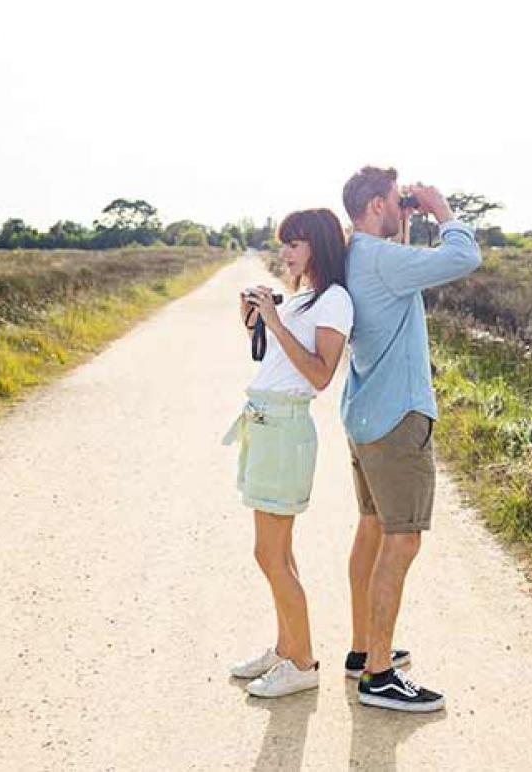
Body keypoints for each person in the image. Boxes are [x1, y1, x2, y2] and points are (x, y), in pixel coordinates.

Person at [339, 166, 482, 712]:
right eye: (397, 201)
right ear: (377, 204)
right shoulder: (381, 259)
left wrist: (402, 217)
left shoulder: (356, 254)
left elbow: (396, 260)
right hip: (398, 419)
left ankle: (362, 652)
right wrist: (442, 209)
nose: (405, 208)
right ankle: (379, 676)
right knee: (403, 540)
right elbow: (465, 257)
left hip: (365, 416)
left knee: (372, 530)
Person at [222, 208, 353, 698]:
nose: (285, 253)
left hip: (284, 429)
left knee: (269, 553)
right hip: (267, 425)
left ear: (316, 245)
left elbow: (320, 376)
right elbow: (281, 364)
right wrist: (255, 322)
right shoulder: (305, 299)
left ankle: (301, 662)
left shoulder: (335, 300)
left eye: (293, 244)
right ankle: (286, 648)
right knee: (278, 552)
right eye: (284, 245)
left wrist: (275, 323)